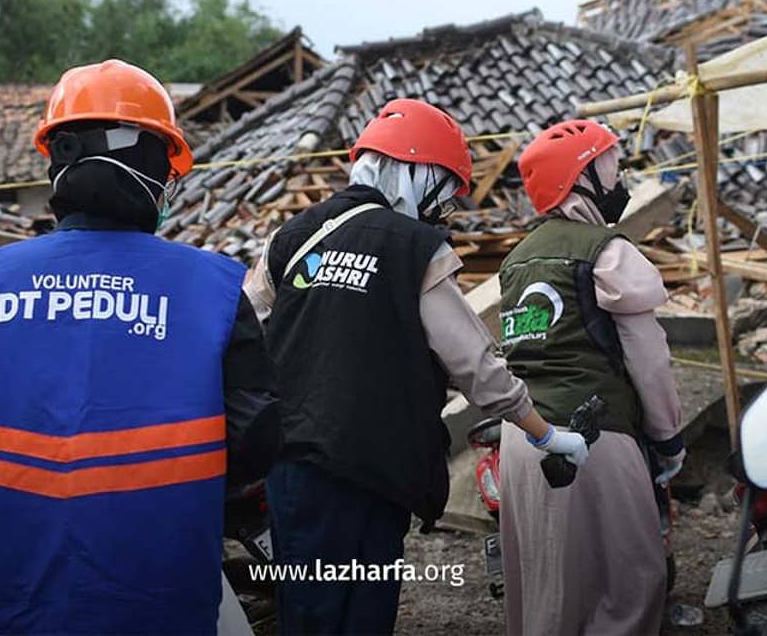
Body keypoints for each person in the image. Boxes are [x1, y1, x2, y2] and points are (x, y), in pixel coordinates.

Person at [0, 59, 280, 635]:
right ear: (143, 158)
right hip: (159, 592)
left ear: (58, 158)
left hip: (12, 594)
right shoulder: (212, 289)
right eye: (166, 167)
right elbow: (258, 433)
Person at [244, 99, 583, 635]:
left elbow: (246, 328)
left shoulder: (293, 236)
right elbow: (475, 364)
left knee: (305, 611)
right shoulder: (415, 247)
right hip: (374, 471)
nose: (443, 211)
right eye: (443, 193)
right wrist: (543, 434)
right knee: (361, 613)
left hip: (292, 465)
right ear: (415, 171)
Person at [498, 120, 684, 636]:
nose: (620, 178)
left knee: (544, 586)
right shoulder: (607, 250)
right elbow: (649, 358)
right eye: (610, 167)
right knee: (628, 583)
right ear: (580, 179)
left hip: (522, 437)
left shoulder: (515, 262)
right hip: (594, 437)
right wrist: (669, 438)